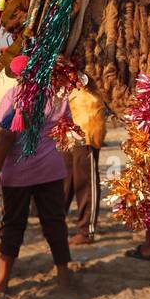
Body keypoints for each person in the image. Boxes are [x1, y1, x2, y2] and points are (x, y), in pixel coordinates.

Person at [0, 89, 74, 294]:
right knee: (55, 222)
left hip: (18, 173)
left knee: (12, 224)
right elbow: (66, 132)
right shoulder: (58, 96)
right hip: (50, 170)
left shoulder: (13, 95)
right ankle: (64, 277)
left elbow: (6, 135)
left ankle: (2, 282)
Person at [63, 89, 106, 245]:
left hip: (87, 124)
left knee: (85, 180)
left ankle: (86, 230)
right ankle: (57, 223)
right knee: (63, 177)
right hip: (65, 124)